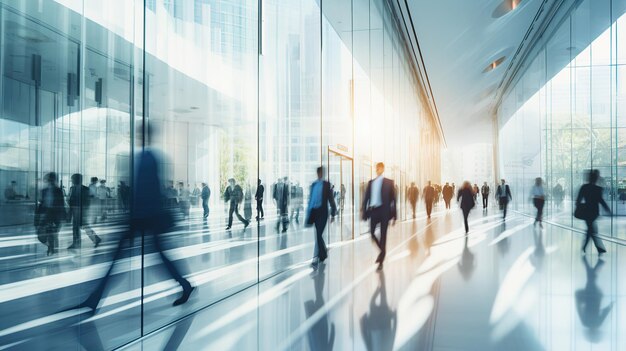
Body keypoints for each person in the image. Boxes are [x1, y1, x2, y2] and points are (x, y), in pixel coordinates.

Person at [69, 145, 194, 314]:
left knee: (123, 256)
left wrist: (133, 215)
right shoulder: (147, 156)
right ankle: (184, 284)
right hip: (142, 217)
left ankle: (95, 297)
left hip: (143, 217)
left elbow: (150, 189)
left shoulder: (147, 157)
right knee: (147, 256)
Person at [361, 162, 396, 271]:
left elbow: (393, 200)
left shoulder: (389, 182)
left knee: (383, 235)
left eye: (380, 168)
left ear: (383, 169)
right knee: (371, 233)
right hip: (374, 211)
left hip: (384, 212)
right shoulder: (371, 183)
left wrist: (394, 215)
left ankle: (381, 262)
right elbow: (366, 198)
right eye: (377, 168)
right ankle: (383, 252)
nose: (378, 169)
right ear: (376, 169)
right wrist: (363, 210)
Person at [306, 167, 337, 269]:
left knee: (319, 234)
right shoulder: (313, 185)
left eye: (321, 173)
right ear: (317, 173)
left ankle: (315, 259)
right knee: (318, 235)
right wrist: (308, 213)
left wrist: (333, 214)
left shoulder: (327, 184)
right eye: (318, 173)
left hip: (323, 213)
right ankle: (323, 255)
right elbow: (311, 199)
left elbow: (331, 199)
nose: (320, 174)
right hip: (315, 212)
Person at [576, 170, 611, 254]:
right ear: (596, 179)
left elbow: (578, 201)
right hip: (594, 212)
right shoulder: (597, 189)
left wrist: (581, 206)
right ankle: (598, 248)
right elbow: (601, 201)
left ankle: (587, 247)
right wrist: (607, 209)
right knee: (592, 229)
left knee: (591, 229)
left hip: (586, 211)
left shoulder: (584, 187)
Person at [35, 172, 66, 255]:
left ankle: (53, 250)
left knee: (54, 234)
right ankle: (50, 246)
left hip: (55, 214)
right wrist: (38, 216)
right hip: (46, 214)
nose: (50, 181)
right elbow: (41, 204)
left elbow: (61, 203)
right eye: (49, 179)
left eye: (51, 179)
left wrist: (63, 216)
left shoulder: (58, 190)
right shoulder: (44, 191)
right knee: (41, 235)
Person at [67, 173, 101, 249]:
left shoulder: (85, 189)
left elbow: (87, 202)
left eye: (73, 179)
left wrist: (83, 211)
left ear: (77, 180)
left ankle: (78, 243)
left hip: (81, 211)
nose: (72, 181)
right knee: (78, 227)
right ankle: (78, 243)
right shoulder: (72, 188)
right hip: (75, 210)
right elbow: (71, 199)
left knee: (82, 226)